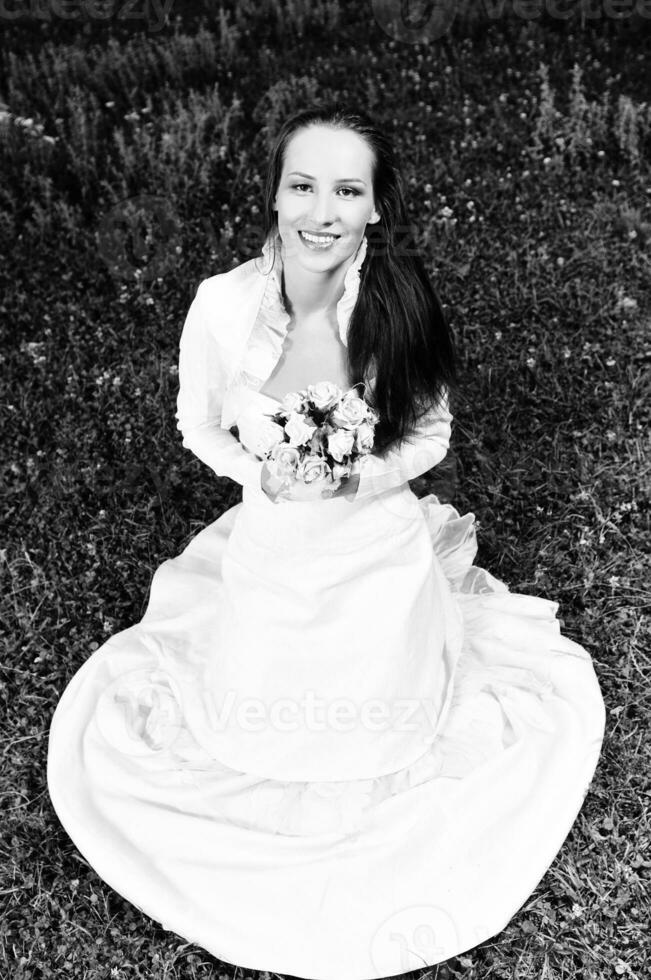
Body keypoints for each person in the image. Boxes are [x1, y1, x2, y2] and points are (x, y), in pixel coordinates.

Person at [47, 105, 606, 979]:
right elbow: (197, 426)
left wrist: (357, 479)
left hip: (372, 551)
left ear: (376, 206)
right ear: (273, 194)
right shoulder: (222, 306)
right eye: (302, 184)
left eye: (347, 189)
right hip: (272, 549)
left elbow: (428, 438)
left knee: (382, 716)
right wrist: (255, 474)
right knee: (254, 718)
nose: (321, 210)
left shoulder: (399, 302)